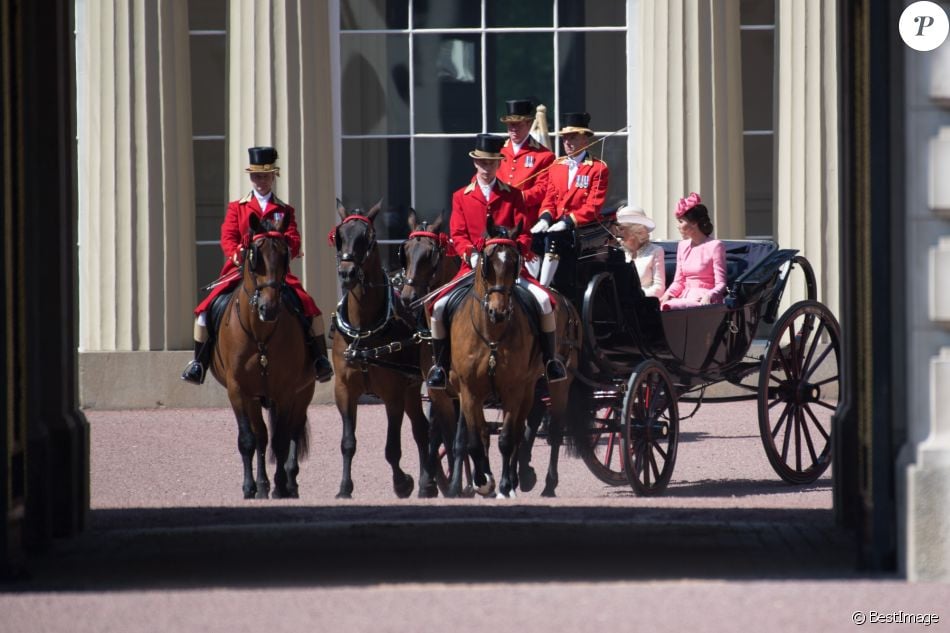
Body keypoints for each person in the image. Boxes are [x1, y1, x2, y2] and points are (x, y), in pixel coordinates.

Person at [425, 133, 567, 390]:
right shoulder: (461, 196)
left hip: (508, 270)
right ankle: (442, 367)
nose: (486, 168)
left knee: (545, 301)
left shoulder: (513, 195)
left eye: (491, 163)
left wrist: (514, 251)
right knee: (437, 307)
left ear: (498, 164)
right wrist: (471, 253)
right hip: (472, 268)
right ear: (475, 163)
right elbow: (457, 234)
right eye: (482, 163)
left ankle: (549, 361)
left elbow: (524, 232)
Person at [181, 146, 333, 385]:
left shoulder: (284, 210)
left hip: (274, 273)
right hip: (240, 272)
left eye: (265, 176)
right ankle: (199, 364)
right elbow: (227, 237)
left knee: (309, 308)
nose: (260, 181)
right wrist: (237, 253)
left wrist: (281, 246)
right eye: (255, 176)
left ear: (274, 176)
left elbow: (294, 239)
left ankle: (320, 359)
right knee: (204, 312)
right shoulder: (237, 207)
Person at [530, 111, 610, 287]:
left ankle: (543, 288)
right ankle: (529, 285)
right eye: (565, 138)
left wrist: (567, 221)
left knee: (554, 239)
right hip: (555, 223)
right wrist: (545, 218)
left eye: (572, 137)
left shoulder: (597, 168)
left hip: (579, 228)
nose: (567, 142)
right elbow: (549, 198)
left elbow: (593, 206)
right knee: (532, 238)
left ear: (585, 139)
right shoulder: (556, 166)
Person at [498, 99, 555, 277]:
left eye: (517, 125)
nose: (513, 129)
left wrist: (517, 198)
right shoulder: (497, 152)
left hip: (525, 227)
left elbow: (542, 189)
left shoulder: (544, 155)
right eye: (510, 125)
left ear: (529, 124)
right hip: (497, 223)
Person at [658, 192, 727, 310]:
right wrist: (668, 294)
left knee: (669, 307)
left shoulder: (715, 246)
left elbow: (721, 283)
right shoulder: (682, 246)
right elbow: (678, 282)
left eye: (681, 222)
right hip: (683, 296)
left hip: (703, 299)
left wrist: (710, 295)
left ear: (694, 223)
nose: (678, 226)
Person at [615, 204, 666, 298]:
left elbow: (659, 288)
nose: (617, 233)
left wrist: (637, 297)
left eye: (621, 229)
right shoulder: (619, 253)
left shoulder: (655, 251)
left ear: (634, 230)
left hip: (645, 305)